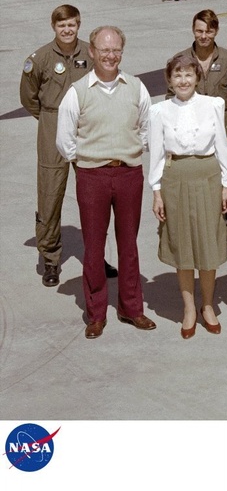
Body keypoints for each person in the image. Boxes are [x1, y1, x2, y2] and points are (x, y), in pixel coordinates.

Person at [56, 26, 154, 339]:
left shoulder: (136, 87)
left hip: (128, 174)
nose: (110, 56)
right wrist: (87, 160)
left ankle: (131, 308)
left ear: (121, 52)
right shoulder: (78, 91)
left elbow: (148, 129)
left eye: (116, 50)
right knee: (94, 246)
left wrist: (128, 151)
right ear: (93, 52)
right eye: (104, 50)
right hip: (92, 176)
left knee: (129, 244)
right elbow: (64, 139)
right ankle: (96, 313)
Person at [20, 4, 108, 287]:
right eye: (62, 26)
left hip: (86, 127)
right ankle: (50, 259)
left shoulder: (91, 53)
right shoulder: (41, 58)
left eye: (71, 25)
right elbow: (28, 96)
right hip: (52, 124)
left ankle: (96, 256)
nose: (67, 30)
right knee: (50, 194)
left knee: (94, 194)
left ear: (79, 25)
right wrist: (50, 119)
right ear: (53, 27)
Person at [149, 53, 227, 337]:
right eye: (177, 76)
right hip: (175, 177)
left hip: (208, 175)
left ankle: (208, 305)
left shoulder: (213, 105)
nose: (183, 80)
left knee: (207, 243)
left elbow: (222, 145)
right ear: (169, 81)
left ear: (197, 77)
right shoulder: (158, 111)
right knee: (182, 244)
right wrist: (156, 191)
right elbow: (157, 154)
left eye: (188, 75)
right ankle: (188, 308)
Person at [172, 8, 227, 264]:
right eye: (199, 30)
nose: (204, 36)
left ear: (216, 31)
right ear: (193, 30)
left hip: (223, 131)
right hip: (192, 133)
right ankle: (202, 238)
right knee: (198, 187)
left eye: (209, 31)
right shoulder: (181, 59)